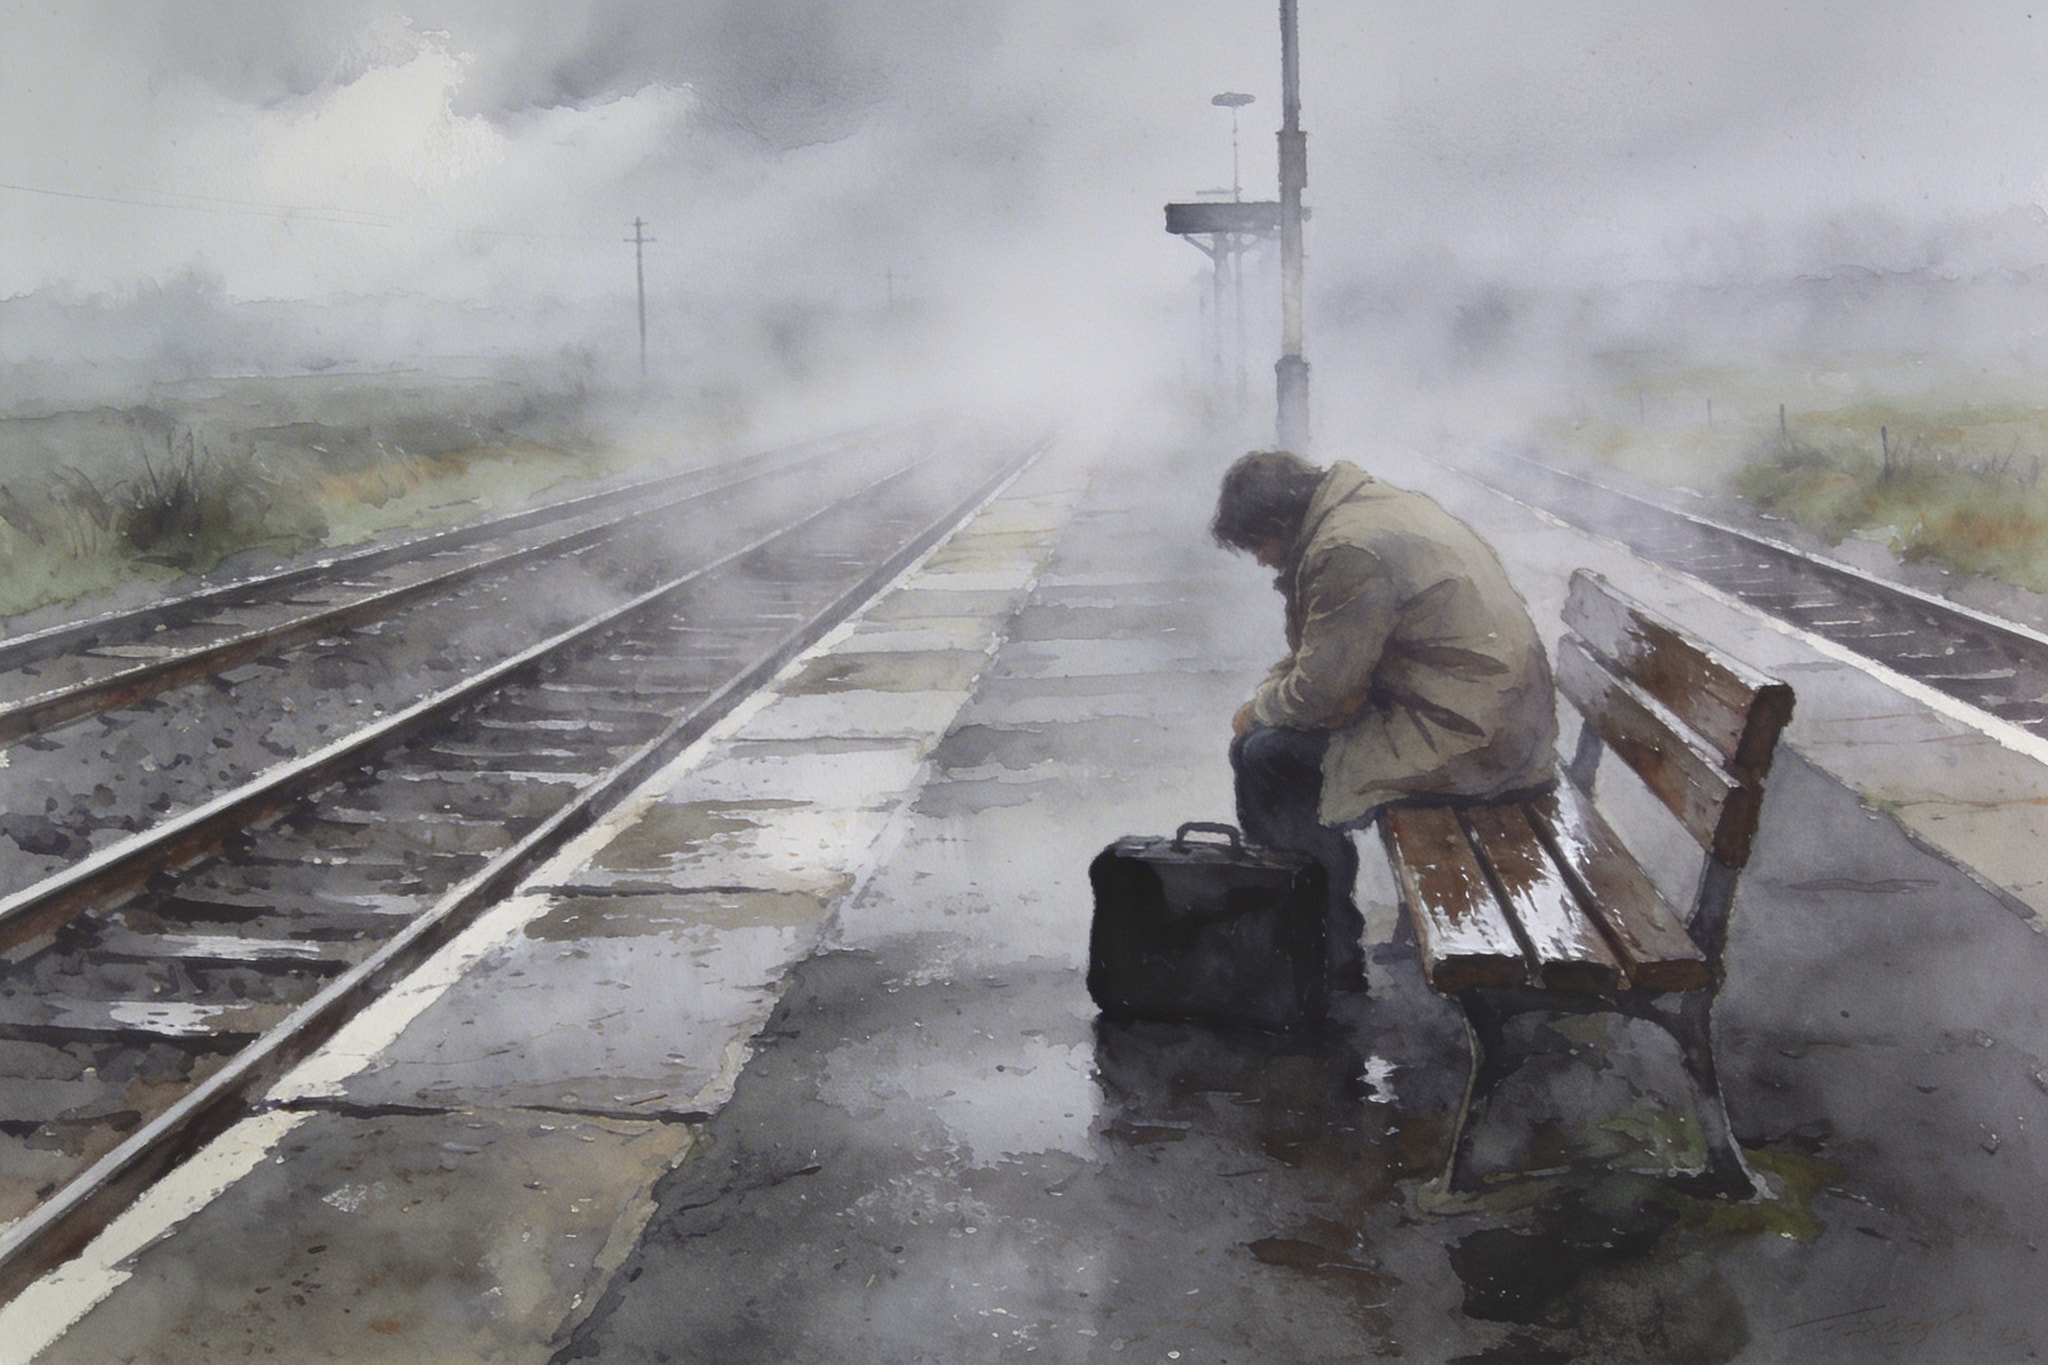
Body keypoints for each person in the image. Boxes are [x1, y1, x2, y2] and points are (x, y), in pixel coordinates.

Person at [1213, 449, 1559, 990]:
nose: (1261, 561)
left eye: (1259, 546)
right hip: (1483, 719)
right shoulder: (1366, 509)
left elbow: (1324, 694)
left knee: (1267, 758)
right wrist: (1266, 703)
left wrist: (1259, 710)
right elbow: (1325, 653)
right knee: (1270, 743)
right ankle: (1316, 935)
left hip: (1473, 743)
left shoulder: (1346, 548)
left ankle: (1320, 953)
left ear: (1279, 524)